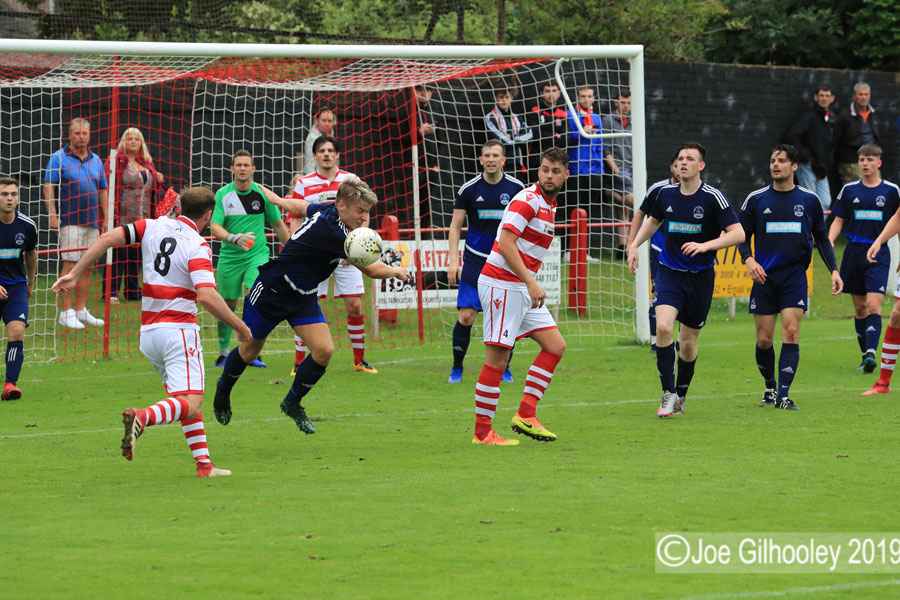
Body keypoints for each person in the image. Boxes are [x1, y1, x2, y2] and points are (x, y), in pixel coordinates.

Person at [51, 187, 251, 477]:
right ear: (208, 215)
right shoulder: (197, 244)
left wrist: (75, 272)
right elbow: (206, 296)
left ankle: (204, 465)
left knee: (184, 402)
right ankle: (142, 417)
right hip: (178, 332)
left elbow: (107, 238)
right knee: (190, 404)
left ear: (179, 206)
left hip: (149, 334)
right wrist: (240, 326)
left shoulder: (152, 225)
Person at [212, 178, 409, 434]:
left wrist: (279, 201)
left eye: (367, 212)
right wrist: (396, 270)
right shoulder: (333, 232)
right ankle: (223, 391)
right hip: (273, 291)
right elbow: (370, 269)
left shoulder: (329, 208)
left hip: (303, 296)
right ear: (342, 206)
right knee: (249, 352)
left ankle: (292, 402)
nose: (364, 218)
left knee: (324, 350)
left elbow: (303, 206)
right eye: (360, 211)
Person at [627, 142, 745, 418]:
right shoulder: (664, 193)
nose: (683, 162)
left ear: (701, 166)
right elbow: (653, 221)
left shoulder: (713, 198)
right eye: (680, 158)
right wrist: (633, 245)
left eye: (690, 159)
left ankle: (681, 394)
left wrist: (707, 246)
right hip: (669, 273)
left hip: (701, 278)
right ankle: (668, 393)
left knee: (688, 343)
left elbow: (738, 233)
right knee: (665, 329)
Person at [471, 147, 570, 446]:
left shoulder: (550, 205)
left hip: (520, 286)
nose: (548, 176)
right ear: (538, 171)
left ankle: (526, 414)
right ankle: (482, 433)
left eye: (555, 171)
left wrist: (527, 283)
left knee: (555, 346)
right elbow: (505, 243)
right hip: (502, 283)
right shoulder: (528, 200)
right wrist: (531, 281)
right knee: (498, 360)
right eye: (544, 170)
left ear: (566, 174)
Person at [739, 145, 842, 411]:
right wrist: (749, 261)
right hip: (764, 279)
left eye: (782, 161)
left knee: (792, 332)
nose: (776, 165)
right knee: (764, 340)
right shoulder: (756, 199)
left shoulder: (809, 200)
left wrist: (833, 269)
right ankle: (770, 386)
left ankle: (784, 396)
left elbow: (821, 237)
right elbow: (739, 236)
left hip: (795, 276)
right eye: (773, 160)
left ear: (794, 166)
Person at [287, 135, 377, 374]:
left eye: (330, 150)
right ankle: (298, 362)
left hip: (346, 253)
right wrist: (298, 249)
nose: (326, 154)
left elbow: (364, 213)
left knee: (356, 305)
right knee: (306, 304)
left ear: (338, 155)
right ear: (315, 155)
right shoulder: (303, 183)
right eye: (321, 150)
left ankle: (359, 361)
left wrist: (354, 246)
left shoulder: (352, 180)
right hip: (314, 256)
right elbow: (295, 217)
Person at [447, 140, 525, 383]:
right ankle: (457, 367)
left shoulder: (516, 188)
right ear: (480, 160)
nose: (491, 159)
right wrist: (453, 261)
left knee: (506, 318)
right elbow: (455, 226)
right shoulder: (469, 189)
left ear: (504, 160)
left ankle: (505, 368)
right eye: (487, 155)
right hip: (474, 261)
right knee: (467, 316)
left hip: (504, 262)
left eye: (495, 155)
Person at [210, 150, 289, 368]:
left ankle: (251, 351)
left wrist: (292, 252)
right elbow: (214, 226)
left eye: (247, 165)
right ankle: (224, 353)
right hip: (229, 257)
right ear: (232, 169)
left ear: (253, 169)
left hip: (257, 255)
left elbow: (278, 224)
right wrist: (233, 238)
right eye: (239, 165)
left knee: (256, 294)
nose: (243, 168)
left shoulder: (262, 194)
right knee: (227, 304)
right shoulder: (223, 195)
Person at [828, 144, 900, 375]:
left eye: (869, 159)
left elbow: (897, 221)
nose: (864, 163)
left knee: (873, 305)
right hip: (854, 252)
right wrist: (829, 241)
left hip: (879, 253)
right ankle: (864, 354)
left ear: (879, 162)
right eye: (861, 159)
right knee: (859, 309)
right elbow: (838, 219)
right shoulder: (849, 190)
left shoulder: (891, 191)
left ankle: (871, 353)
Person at [43, 117, 108, 329]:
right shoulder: (58, 157)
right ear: (69, 135)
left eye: (85, 133)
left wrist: (106, 218)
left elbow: (103, 189)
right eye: (77, 133)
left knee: (87, 266)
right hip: (69, 220)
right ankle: (66, 311)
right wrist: (52, 215)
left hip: (92, 221)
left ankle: (81, 310)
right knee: (70, 265)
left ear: (90, 135)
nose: (81, 136)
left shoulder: (96, 159)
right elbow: (48, 186)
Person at [625, 150, 680, 353]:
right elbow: (640, 214)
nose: (681, 167)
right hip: (660, 248)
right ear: (671, 167)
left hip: (687, 252)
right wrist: (632, 244)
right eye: (677, 163)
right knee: (660, 292)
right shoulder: (658, 189)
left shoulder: (699, 192)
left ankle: (682, 339)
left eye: (686, 161)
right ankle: (656, 341)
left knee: (686, 296)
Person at [104, 127, 164, 304]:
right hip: (122, 215)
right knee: (118, 254)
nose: (132, 141)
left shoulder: (147, 163)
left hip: (143, 215)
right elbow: (107, 185)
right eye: (129, 138)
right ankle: (111, 291)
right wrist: (108, 215)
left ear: (141, 143)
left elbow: (153, 189)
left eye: (136, 139)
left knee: (137, 255)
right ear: (124, 141)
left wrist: (158, 178)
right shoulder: (115, 160)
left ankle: (132, 291)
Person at [567, 85, 625, 258]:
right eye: (583, 96)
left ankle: (583, 251)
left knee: (589, 211)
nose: (586, 99)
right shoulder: (571, 115)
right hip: (576, 170)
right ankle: (569, 251)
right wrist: (581, 133)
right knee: (573, 209)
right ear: (577, 97)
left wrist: (600, 167)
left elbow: (600, 144)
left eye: (589, 96)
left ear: (594, 98)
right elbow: (566, 139)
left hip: (595, 171)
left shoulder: (596, 118)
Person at [0, 178, 36, 401]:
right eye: (4, 194)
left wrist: (30, 283)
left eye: (13, 194)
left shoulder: (27, 226)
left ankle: (10, 384)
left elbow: (31, 254)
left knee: (17, 332)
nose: (9, 198)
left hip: (15, 288)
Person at [784, 85, 835, 210]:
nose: (824, 98)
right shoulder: (809, 117)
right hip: (807, 167)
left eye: (827, 96)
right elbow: (792, 136)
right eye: (821, 95)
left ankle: (815, 229)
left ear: (832, 98)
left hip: (822, 168)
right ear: (816, 97)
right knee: (809, 201)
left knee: (825, 202)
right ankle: (808, 229)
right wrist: (805, 157)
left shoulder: (831, 119)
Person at [834, 82, 881, 186]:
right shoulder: (845, 115)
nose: (863, 97)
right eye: (860, 94)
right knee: (858, 191)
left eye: (866, 94)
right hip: (852, 162)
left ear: (870, 96)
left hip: (872, 159)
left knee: (877, 188)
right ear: (854, 96)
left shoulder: (873, 113)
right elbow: (837, 139)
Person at [484, 88, 532, 175]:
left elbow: (530, 135)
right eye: (501, 97)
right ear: (496, 98)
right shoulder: (490, 117)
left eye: (507, 97)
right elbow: (499, 141)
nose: (504, 100)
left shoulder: (517, 118)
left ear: (511, 98)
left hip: (518, 163)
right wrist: (518, 139)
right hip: (499, 164)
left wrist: (512, 136)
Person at [527, 80, 568, 180]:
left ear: (559, 93)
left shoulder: (563, 114)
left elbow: (566, 139)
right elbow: (536, 134)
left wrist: (546, 135)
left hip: (557, 160)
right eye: (547, 91)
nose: (551, 94)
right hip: (536, 160)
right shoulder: (535, 111)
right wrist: (555, 135)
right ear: (542, 93)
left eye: (554, 91)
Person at [600, 87, 634, 200]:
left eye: (628, 103)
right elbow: (606, 148)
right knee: (631, 198)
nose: (626, 106)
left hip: (632, 168)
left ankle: (623, 217)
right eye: (623, 102)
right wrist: (616, 170)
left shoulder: (633, 121)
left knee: (624, 205)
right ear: (616, 103)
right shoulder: (607, 120)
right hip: (617, 170)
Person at [303, 109, 336, 175]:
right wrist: (313, 183)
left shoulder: (330, 135)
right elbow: (309, 166)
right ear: (317, 121)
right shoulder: (313, 138)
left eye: (329, 121)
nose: (327, 124)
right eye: (324, 120)